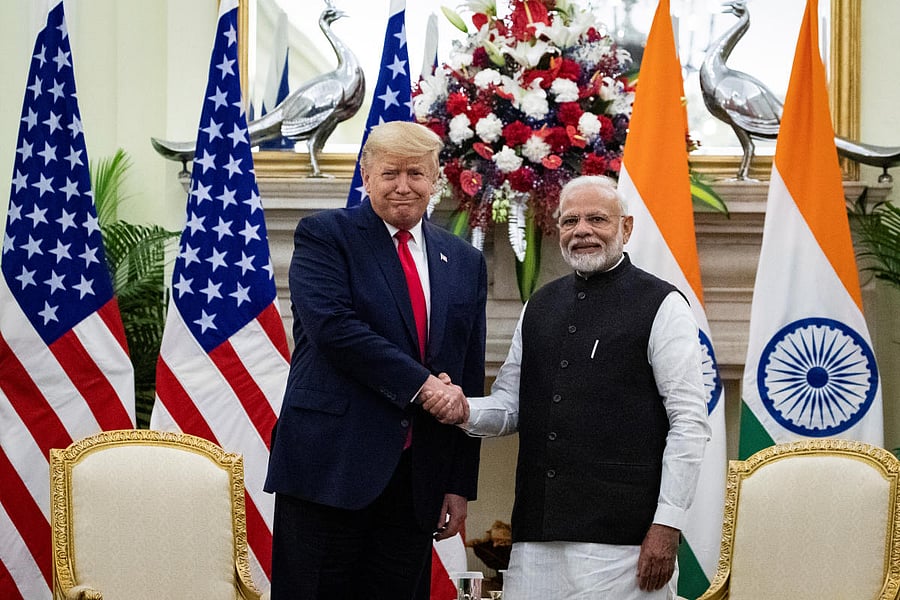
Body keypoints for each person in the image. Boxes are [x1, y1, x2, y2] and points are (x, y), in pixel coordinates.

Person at [458, 175, 710, 599]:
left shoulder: (662, 304)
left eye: (597, 219)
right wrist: (461, 408)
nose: (582, 231)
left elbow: (689, 423)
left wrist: (667, 525)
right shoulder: (539, 305)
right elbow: (510, 406)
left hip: (624, 543)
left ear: (626, 228)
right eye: (570, 220)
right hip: (536, 539)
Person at [264, 121, 487, 600]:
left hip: (415, 481)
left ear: (435, 180)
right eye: (390, 173)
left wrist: (457, 482)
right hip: (329, 468)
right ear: (366, 177)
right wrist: (425, 386)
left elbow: (467, 373)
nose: (403, 186)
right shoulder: (325, 236)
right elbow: (335, 330)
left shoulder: (464, 260)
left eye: (416, 173)